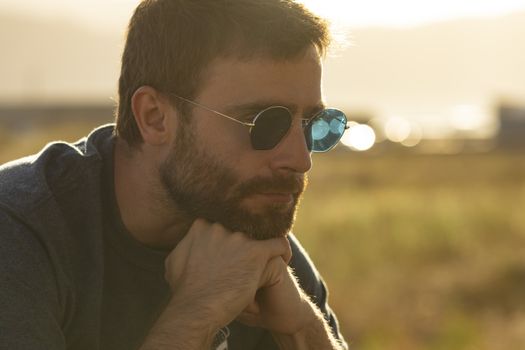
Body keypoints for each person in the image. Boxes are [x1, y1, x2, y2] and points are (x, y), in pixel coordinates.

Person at [0, 0, 350, 349]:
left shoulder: (254, 237)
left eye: (314, 125)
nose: (301, 159)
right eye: (266, 123)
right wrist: (198, 310)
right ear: (155, 117)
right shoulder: (19, 232)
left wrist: (302, 327)